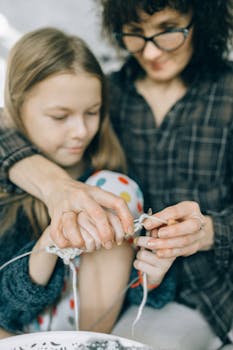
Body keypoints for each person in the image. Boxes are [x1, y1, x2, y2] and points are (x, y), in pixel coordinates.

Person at [0, 0, 232, 348]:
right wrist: (57, 187)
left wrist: (211, 232)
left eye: (168, 30)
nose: (150, 51)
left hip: (201, 293)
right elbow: (7, 123)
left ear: (201, 20)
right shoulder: (107, 91)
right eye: (136, 34)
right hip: (121, 289)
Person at [0, 26, 176, 340]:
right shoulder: (9, 187)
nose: (81, 130)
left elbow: (134, 297)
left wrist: (152, 276)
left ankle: (89, 343)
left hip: (97, 329)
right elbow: (8, 311)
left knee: (113, 188)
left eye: (92, 112)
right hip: (20, 333)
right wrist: (49, 244)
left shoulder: (109, 175)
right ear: (16, 107)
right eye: (59, 116)